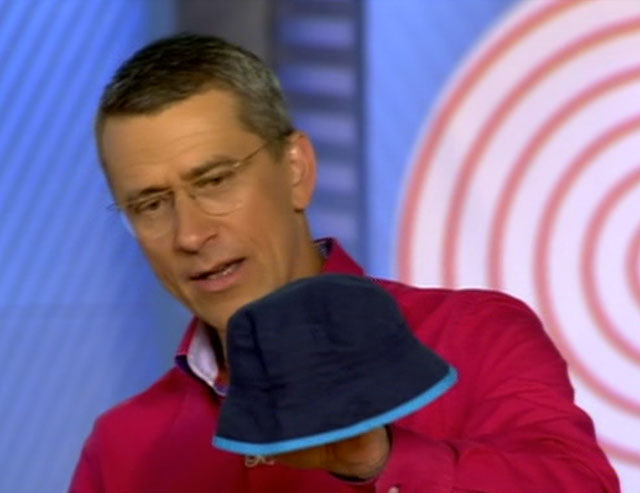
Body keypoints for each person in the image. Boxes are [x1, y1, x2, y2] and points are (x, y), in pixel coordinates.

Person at [69, 33, 619, 492]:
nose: (190, 234)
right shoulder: (121, 448)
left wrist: (379, 458)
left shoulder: (476, 336)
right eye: (151, 205)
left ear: (296, 169)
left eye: (214, 181)